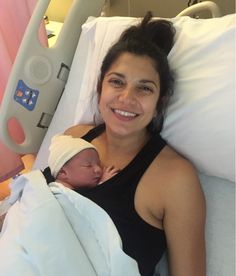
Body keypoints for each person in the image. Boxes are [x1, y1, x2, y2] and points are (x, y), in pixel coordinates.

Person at [44, 11, 206, 276]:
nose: (126, 98)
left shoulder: (176, 179)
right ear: (100, 89)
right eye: (117, 82)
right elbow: (34, 197)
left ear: (159, 104)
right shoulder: (74, 136)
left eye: (144, 88)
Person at [48, 134, 118, 189]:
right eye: (88, 165)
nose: (98, 169)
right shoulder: (62, 193)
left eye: (98, 164)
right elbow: (91, 200)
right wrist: (102, 184)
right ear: (63, 172)